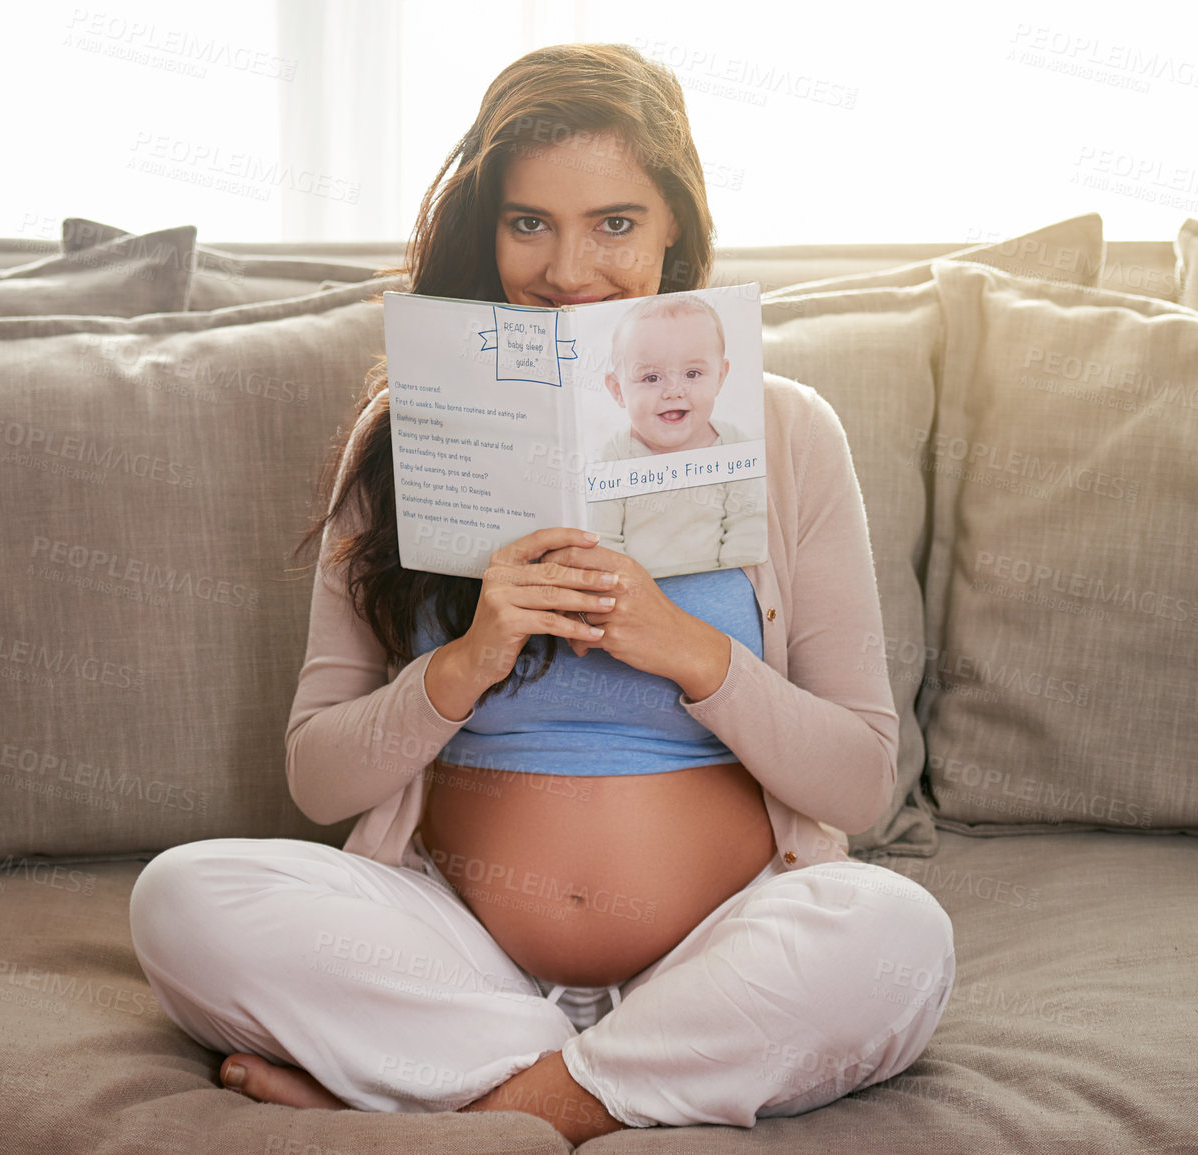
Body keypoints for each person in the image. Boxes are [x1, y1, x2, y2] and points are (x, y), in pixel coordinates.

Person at [127, 41, 954, 1145]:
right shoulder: (399, 435)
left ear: (675, 230)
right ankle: (612, 1089)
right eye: (530, 223)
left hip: (721, 944)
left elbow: (858, 785)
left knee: (894, 932)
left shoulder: (790, 430)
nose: (569, 269)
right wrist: (464, 662)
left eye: (615, 222)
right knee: (181, 899)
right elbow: (318, 776)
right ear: (489, 229)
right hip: (457, 953)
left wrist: (689, 651)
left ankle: (489, 1105)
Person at [587, 292, 768, 576]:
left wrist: (730, 581)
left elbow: (748, 525)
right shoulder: (615, 455)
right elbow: (602, 537)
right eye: (652, 378)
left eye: (692, 374)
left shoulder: (733, 445)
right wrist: (629, 591)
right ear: (618, 390)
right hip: (636, 593)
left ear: (720, 377)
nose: (674, 391)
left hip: (720, 583)